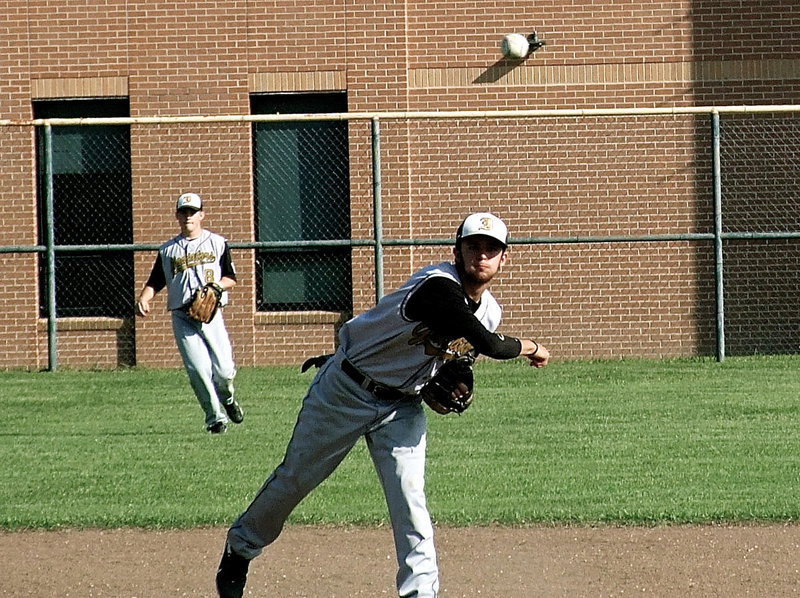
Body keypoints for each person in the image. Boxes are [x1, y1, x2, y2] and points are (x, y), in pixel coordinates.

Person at [215, 212, 550, 597]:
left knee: (411, 501)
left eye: (492, 248)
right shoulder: (436, 285)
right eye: (473, 245)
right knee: (296, 480)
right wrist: (532, 348)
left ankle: (420, 593)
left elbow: (460, 355)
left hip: (402, 408)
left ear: (504, 258)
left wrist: (458, 372)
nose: (482, 255)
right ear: (456, 250)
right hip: (345, 391)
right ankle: (240, 547)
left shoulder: (490, 311)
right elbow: (490, 344)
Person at [136, 192, 243, 434]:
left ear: (201, 215)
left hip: (211, 313)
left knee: (224, 371)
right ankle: (215, 419)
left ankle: (227, 400)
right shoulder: (168, 250)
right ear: (177, 215)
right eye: (183, 212)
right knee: (198, 369)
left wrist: (217, 286)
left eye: (192, 212)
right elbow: (157, 279)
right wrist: (144, 297)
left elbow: (231, 278)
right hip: (182, 315)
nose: (188, 216)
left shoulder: (217, 243)